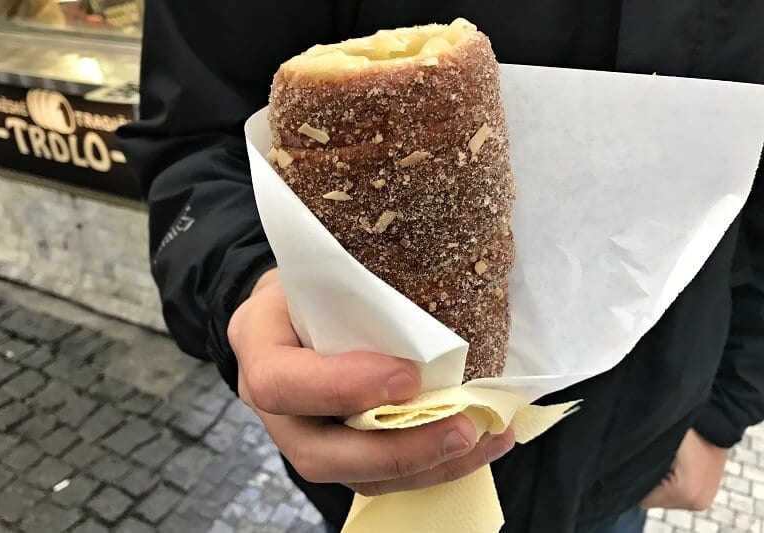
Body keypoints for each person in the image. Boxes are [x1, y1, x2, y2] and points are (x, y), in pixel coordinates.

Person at [118, 2, 764, 532]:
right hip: (374, 478)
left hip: (630, 461)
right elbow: (195, 141)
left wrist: (722, 410)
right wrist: (246, 282)